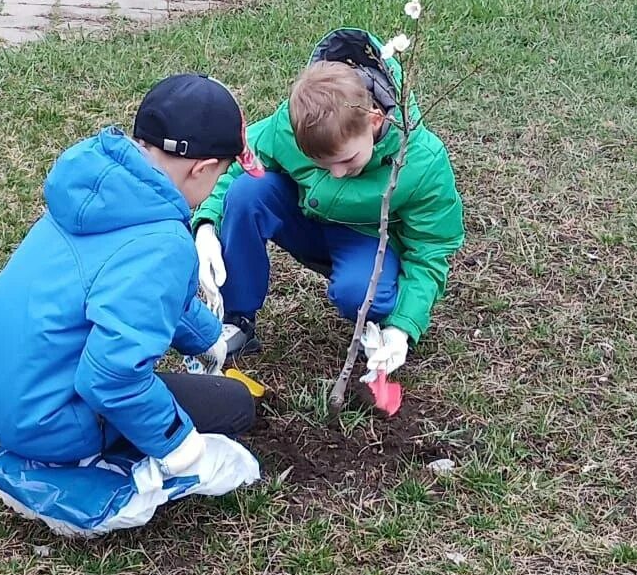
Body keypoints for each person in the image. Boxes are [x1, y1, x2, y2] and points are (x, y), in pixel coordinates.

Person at [0, 74, 262, 484]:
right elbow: (111, 379)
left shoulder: (101, 187)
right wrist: (181, 449)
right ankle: (79, 462)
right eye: (221, 174)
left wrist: (208, 340)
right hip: (42, 419)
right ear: (202, 169)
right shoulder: (163, 243)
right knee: (234, 405)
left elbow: (148, 293)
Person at [194, 28, 464, 377]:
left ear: (375, 119)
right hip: (303, 221)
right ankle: (238, 319)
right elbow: (239, 163)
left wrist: (402, 326)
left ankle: (378, 316)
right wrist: (206, 225)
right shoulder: (295, 123)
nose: (336, 174)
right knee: (247, 192)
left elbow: (431, 249)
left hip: (364, 239)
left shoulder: (422, 161)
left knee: (359, 294)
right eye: (322, 164)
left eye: (348, 161)